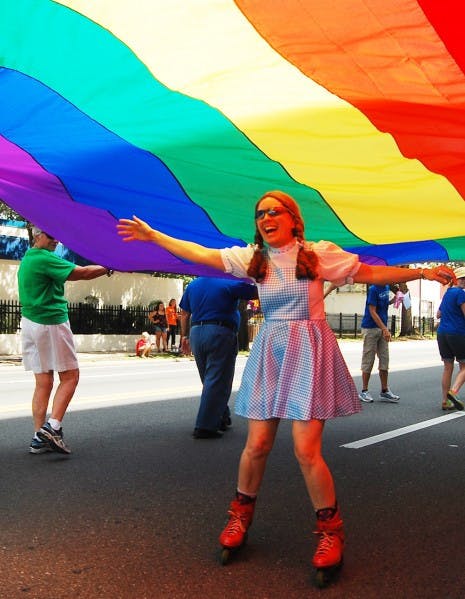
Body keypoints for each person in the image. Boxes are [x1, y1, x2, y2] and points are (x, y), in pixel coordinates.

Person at [117, 190, 454, 579]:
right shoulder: (253, 259)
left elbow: (370, 273)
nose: (266, 218)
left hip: (309, 350)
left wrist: (423, 272)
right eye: (260, 213)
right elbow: (200, 254)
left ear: (293, 218)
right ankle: (239, 519)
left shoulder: (316, 254)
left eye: (274, 211)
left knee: (306, 451)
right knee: (256, 444)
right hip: (271, 350)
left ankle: (331, 533)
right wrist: (154, 235)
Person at [18, 227, 113, 455]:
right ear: (37, 235)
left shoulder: (28, 259)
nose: (56, 240)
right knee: (71, 376)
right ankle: (53, 427)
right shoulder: (43, 258)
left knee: (44, 382)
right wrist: (109, 267)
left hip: (30, 323)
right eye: (51, 235)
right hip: (51, 323)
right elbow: (82, 273)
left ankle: (38, 438)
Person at [179, 277, 258, 439]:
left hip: (196, 333)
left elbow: (185, 313)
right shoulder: (228, 282)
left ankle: (221, 416)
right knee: (217, 379)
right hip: (220, 331)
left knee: (209, 378)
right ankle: (205, 426)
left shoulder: (193, 284)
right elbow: (255, 291)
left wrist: (184, 337)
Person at [358, 284, 400, 404]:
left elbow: (384, 304)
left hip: (382, 328)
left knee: (384, 358)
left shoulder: (386, 287)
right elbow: (372, 311)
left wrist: (395, 299)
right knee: (368, 359)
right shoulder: (373, 289)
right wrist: (384, 329)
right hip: (370, 328)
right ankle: (364, 391)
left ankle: (384, 390)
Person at [436, 266, 465, 411]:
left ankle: (445, 401)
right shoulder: (461, 294)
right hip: (458, 333)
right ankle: (452, 393)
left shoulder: (448, 293)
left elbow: (438, 314)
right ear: (459, 280)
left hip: (442, 333)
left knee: (448, 367)